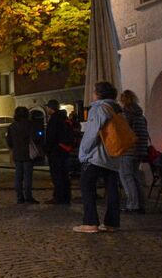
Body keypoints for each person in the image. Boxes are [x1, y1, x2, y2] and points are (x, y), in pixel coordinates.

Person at [73, 81, 123, 234]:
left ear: (99, 94)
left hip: (96, 156)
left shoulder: (99, 108)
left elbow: (92, 133)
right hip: (112, 154)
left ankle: (90, 222)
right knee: (112, 188)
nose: (92, 94)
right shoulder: (116, 109)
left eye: (94, 91)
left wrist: (84, 152)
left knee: (87, 186)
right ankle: (112, 223)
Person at [119, 90, 148, 214]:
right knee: (135, 176)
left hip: (128, 150)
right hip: (140, 149)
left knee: (127, 177)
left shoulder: (126, 115)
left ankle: (133, 204)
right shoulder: (140, 115)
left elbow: (123, 132)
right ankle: (140, 203)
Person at [43, 100, 73, 205]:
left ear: (51, 108)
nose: (47, 110)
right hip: (64, 150)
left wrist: (47, 150)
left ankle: (59, 197)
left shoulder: (54, 119)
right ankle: (66, 196)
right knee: (64, 175)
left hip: (56, 151)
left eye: (47, 108)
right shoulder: (64, 118)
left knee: (57, 175)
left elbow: (51, 137)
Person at [7, 106, 37, 205]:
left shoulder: (12, 126)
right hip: (27, 154)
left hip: (17, 154)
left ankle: (20, 197)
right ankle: (28, 197)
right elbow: (35, 138)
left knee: (18, 176)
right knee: (28, 177)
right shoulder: (29, 125)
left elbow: (9, 141)